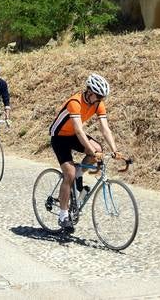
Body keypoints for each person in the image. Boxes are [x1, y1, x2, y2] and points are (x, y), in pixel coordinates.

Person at [49, 73, 121, 232]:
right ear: (89, 91)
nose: (101, 99)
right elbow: (79, 131)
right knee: (69, 174)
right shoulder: (75, 102)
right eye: (99, 96)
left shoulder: (98, 104)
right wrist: (90, 151)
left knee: (98, 149)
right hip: (59, 137)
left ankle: (79, 174)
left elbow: (104, 128)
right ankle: (63, 215)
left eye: (103, 97)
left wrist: (115, 150)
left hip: (73, 135)